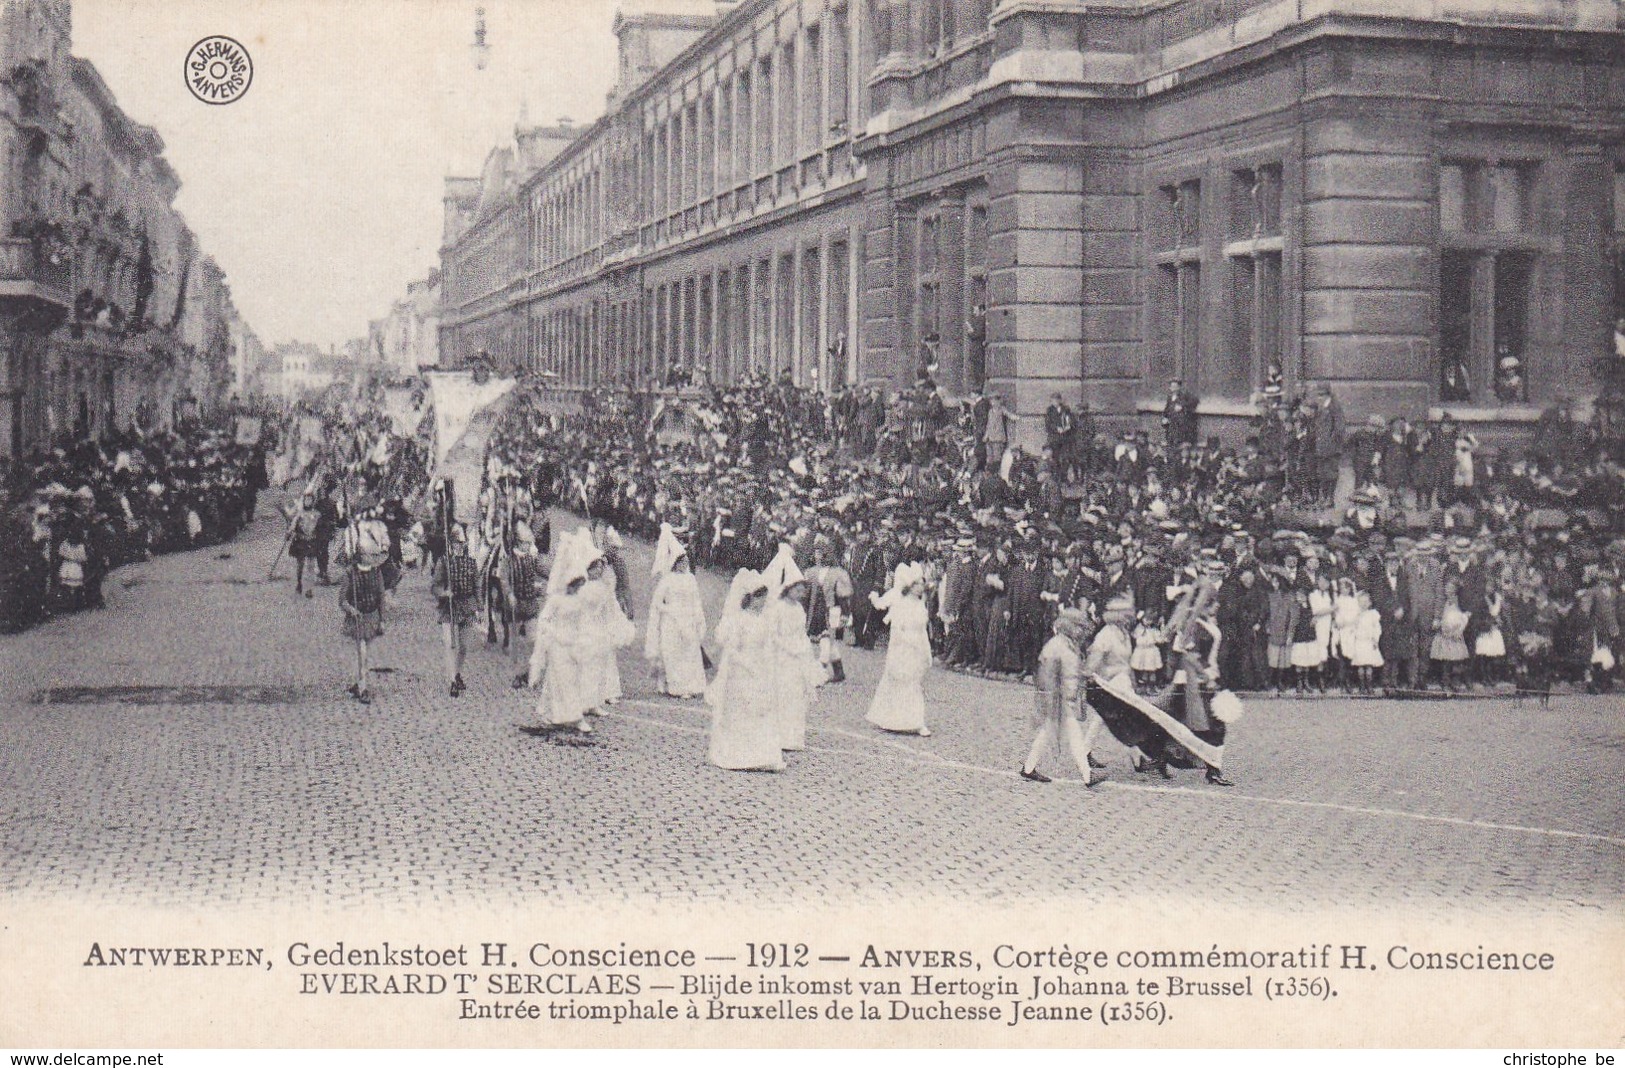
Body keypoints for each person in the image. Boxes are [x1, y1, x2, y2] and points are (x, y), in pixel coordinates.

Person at [706, 569, 784, 772]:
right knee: (742, 711)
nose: (764, 602)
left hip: (759, 668)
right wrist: (748, 666)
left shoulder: (763, 621)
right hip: (741, 671)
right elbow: (732, 649)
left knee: (760, 712)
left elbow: (767, 646)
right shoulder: (739, 620)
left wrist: (766, 666)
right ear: (751, 598)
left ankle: (761, 755)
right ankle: (739, 755)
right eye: (760, 598)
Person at [525, 529, 601, 735]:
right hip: (558, 643)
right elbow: (545, 619)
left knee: (574, 680)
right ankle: (566, 716)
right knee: (561, 680)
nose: (578, 587)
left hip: (574, 644)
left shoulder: (580, 601)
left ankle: (570, 715)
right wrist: (551, 633)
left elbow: (584, 622)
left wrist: (585, 640)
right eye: (576, 584)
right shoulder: (557, 600)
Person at [1020, 608, 1101, 787]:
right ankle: (1087, 775)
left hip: (1059, 699)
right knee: (1074, 735)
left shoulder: (1065, 644)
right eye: (1079, 627)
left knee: (1048, 734)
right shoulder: (1060, 646)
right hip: (1057, 699)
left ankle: (1028, 768)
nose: (1082, 631)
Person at [763, 543, 822, 753]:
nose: (801, 593)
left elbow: (800, 633)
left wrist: (804, 651)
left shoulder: (798, 609)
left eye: (802, 590)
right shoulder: (777, 608)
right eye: (797, 589)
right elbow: (772, 634)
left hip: (797, 654)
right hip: (782, 655)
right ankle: (779, 734)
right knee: (782, 693)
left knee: (796, 696)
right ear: (788, 589)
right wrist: (787, 647)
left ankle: (793, 735)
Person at [865, 561, 932, 737]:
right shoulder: (901, 602)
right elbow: (888, 613)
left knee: (914, 682)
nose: (920, 587)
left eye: (921, 584)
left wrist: (926, 651)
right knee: (901, 679)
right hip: (902, 647)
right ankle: (894, 718)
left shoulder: (919, 604)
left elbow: (922, 629)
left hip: (916, 646)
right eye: (917, 584)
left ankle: (915, 720)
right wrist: (874, 597)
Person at [644, 523, 708, 699]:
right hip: (671, 620)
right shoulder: (668, 580)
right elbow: (657, 602)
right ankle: (674, 684)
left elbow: (696, 600)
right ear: (674, 563)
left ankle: (688, 684)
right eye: (681, 561)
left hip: (687, 619)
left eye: (685, 561)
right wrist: (668, 610)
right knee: (673, 652)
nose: (684, 564)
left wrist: (698, 618)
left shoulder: (690, 579)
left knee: (688, 652)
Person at [338, 530, 387, 704]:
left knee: (364, 654)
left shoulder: (376, 572)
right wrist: (352, 610)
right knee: (362, 654)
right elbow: (342, 600)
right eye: (371, 555)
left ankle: (359, 681)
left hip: (371, 616)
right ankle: (363, 687)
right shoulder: (350, 574)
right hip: (357, 618)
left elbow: (381, 596)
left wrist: (382, 620)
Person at [432, 523, 480, 697]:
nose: (460, 547)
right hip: (449, 607)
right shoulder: (443, 562)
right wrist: (444, 593)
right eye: (457, 543)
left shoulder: (471, 563)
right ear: (451, 544)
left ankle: (457, 673)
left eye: (462, 544)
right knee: (450, 644)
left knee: (464, 646)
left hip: (467, 606)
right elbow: (435, 586)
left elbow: (477, 587)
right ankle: (452, 680)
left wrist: (479, 608)